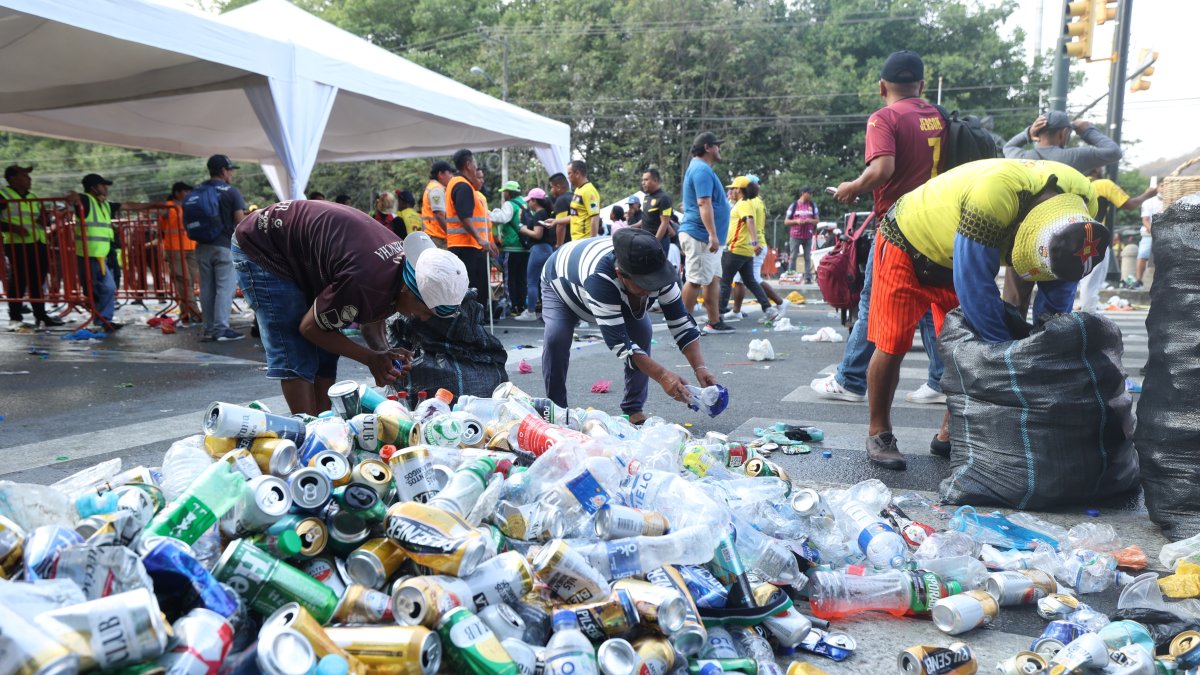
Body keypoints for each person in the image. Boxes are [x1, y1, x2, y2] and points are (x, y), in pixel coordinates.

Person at [863, 158, 1105, 470]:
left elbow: (1059, 284)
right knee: (893, 343)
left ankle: (950, 432)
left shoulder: (1085, 203)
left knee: (964, 347)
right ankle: (879, 432)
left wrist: (1048, 344)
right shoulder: (992, 198)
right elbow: (976, 289)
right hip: (907, 242)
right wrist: (1005, 355)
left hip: (953, 257)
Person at [233, 201, 468, 415]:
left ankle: (324, 421)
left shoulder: (399, 272)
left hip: (302, 249)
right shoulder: (367, 281)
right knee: (296, 350)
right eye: (426, 310)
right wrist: (371, 358)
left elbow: (372, 320)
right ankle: (308, 431)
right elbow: (309, 328)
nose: (424, 318)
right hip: (264, 244)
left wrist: (385, 355)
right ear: (409, 289)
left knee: (327, 349)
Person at [816, 50, 950, 414]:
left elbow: (882, 169)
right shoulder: (940, 116)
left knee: (871, 303)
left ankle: (849, 380)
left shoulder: (884, 118)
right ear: (922, 84)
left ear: (881, 87)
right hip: (941, 225)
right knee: (930, 303)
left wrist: (852, 187)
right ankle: (941, 381)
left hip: (899, 227)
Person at [541, 227, 717, 424]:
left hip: (611, 289)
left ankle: (634, 409)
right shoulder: (600, 278)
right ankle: (557, 410)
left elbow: (681, 323)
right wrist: (662, 376)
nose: (651, 288)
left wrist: (700, 368)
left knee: (642, 333)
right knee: (557, 336)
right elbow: (620, 343)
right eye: (645, 284)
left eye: (655, 282)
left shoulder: (660, 272)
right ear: (621, 274)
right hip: (561, 285)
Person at [1002, 111, 1121, 315]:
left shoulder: (1023, 158)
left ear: (1039, 132)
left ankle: (1012, 333)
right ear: (1063, 133)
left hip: (1023, 238)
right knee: (1055, 309)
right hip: (1063, 240)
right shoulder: (1073, 157)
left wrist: (1027, 133)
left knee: (1013, 303)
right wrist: (1086, 130)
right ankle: (1049, 332)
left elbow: (1008, 147)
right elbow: (1113, 151)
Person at [1076, 170, 1157, 312]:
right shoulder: (1103, 184)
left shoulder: (1075, 182)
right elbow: (1130, 204)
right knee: (1092, 280)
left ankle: (1078, 309)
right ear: (1096, 169)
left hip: (1073, 234)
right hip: (1094, 237)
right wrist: (1148, 194)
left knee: (1076, 279)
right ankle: (1087, 313)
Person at [679, 131, 734, 334]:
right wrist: (712, 234)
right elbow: (703, 203)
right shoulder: (701, 170)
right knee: (695, 280)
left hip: (706, 237)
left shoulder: (702, 169)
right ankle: (682, 327)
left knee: (712, 279)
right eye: (717, 145)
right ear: (707, 147)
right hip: (701, 235)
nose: (719, 149)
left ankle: (714, 321)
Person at [1, 165, 64, 329]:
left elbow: (43, 220)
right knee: (19, 279)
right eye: (24, 176)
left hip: (39, 242)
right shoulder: (3, 195)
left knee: (38, 280)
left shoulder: (33, 197)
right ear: (13, 179)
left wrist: (45, 220)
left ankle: (41, 316)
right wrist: (13, 228)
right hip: (17, 244)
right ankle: (15, 317)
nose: (29, 179)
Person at [194, 154, 247, 342]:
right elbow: (240, 222)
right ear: (223, 170)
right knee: (225, 288)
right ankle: (221, 329)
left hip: (201, 246)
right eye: (230, 170)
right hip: (224, 246)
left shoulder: (198, 190)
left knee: (207, 289)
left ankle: (209, 328)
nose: (231, 174)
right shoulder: (231, 192)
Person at [718, 177, 777, 321]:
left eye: (732, 188)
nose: (730, 192)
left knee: (725, 282)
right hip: (745, 250)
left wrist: (755, 242)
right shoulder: (746, 203)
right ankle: (768, 309)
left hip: (736, 248)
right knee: (750, 281)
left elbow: (749, 220)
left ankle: (717, 315)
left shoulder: (743, 204)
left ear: (739, 190)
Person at [729, 175, 787, 319]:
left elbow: (749, 221)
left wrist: (754, 243)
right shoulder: (758, 201)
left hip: (751, 244)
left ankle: (779, 302)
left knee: (751, 279)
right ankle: (736, 310)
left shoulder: (749, 202)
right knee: (740, 279)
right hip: (754, 243)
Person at [445, 150, 498, 300]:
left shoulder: (455, 183)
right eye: (474, 163)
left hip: (463, 245)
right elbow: (465, 216)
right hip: (467, 246)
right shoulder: (463, 186)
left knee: (469, 290)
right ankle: (474, 316)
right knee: (473, 291)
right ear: (468, 165)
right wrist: (480, 239)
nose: (475, 166)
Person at [159, 181, 202, 326]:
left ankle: (185, 312)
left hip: (191, 246)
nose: (189, 194)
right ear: (177, 193)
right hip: (175, 248)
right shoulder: (168, 206)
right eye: (186, 191)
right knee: (183, 280)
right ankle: (194, 312)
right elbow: (161, 227)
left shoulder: (189, 206)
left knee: (189, 281)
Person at [490, 180, 530, 317]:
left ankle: (512, 306)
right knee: (522, 278)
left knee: (509, 278)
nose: (504, 195)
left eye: (505, 192)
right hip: (525, 246)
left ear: (509, 192)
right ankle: (521, 306)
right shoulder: (525, 203)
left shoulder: (509, 204)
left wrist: (488, 214)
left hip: (512, 247)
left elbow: (502, 218)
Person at [516, 188, 554, 321]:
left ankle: (531, 312)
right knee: (547, 283)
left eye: (529, 201)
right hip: (547, 249)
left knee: (532, 282)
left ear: (534, 201)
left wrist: (523, 229)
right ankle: (549, 312)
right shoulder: (546, 213)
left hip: (538, 250)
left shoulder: (539, 214)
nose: (528, 203)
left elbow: (538, 234)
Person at [785, 187, 819, 281]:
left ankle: (807, 277)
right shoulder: (794, 205)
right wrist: (797, 221)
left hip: (808, 236)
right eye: (809, 193)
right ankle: (791, 276)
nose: (811, 195)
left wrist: (809, 220)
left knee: (807, 257)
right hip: (795, 235)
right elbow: (786, 221)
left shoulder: (812, 205)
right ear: (803, 193)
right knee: (793, 256)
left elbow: (817, 220)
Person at [639, 168, 675, 256]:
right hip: (645, 240)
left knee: (658, 264)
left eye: (646, 180)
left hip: (658, 242)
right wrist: (630, 227)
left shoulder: (664, 198)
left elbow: (664, 223)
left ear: (655, 180)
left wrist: (655, 241)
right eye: (642, 180)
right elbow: (645, 219)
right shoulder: (646, 197)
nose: (643, 183)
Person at [421, 160, 454, 249]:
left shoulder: (435, 187)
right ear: (441, 174)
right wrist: (451, 234)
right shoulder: (436, 189)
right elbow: (440, 215)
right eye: (449, 173)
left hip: (435, 236)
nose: (452, 176)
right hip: (437, 238)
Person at [568, 160, 601, 242]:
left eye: (569, 173)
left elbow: (595, 217)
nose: (568, 177)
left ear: (577, 173)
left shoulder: (588, 191)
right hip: (575, 240)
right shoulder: (578, 190)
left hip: (584, 240)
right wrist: (556, 221)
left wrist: (591, 241)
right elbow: (576, 216)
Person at [1135, 189, 1163, 289]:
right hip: (1150, 234)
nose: (1164, 188)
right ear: (1158, 188)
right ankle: (1138, 281)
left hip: (1169, 234)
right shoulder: (1149, 202)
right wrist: (1155, 232)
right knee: (1143, 255)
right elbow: (1145, 220)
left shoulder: (1176, 201)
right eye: (1162, 186)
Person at [546, 173, 573, 247]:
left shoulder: (561, 200)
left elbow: (561, 225)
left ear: (558, 187)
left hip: (565, 245)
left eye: (552, 187)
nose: (551, 190)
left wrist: (559, 245)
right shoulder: (574, 196)